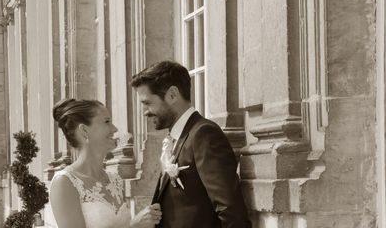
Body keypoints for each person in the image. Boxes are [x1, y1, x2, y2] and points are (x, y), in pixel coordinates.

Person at [131, 60, 251, 228]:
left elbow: (231, 212)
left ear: (172, 95)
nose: (145, 112)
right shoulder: (175, 139)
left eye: (147, 103)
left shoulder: (204, 134)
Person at [49, 98, 162, 228]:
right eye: (107, 122)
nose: (115, 129)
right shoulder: (64, 182)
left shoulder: (115, 180)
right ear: (84, 130)